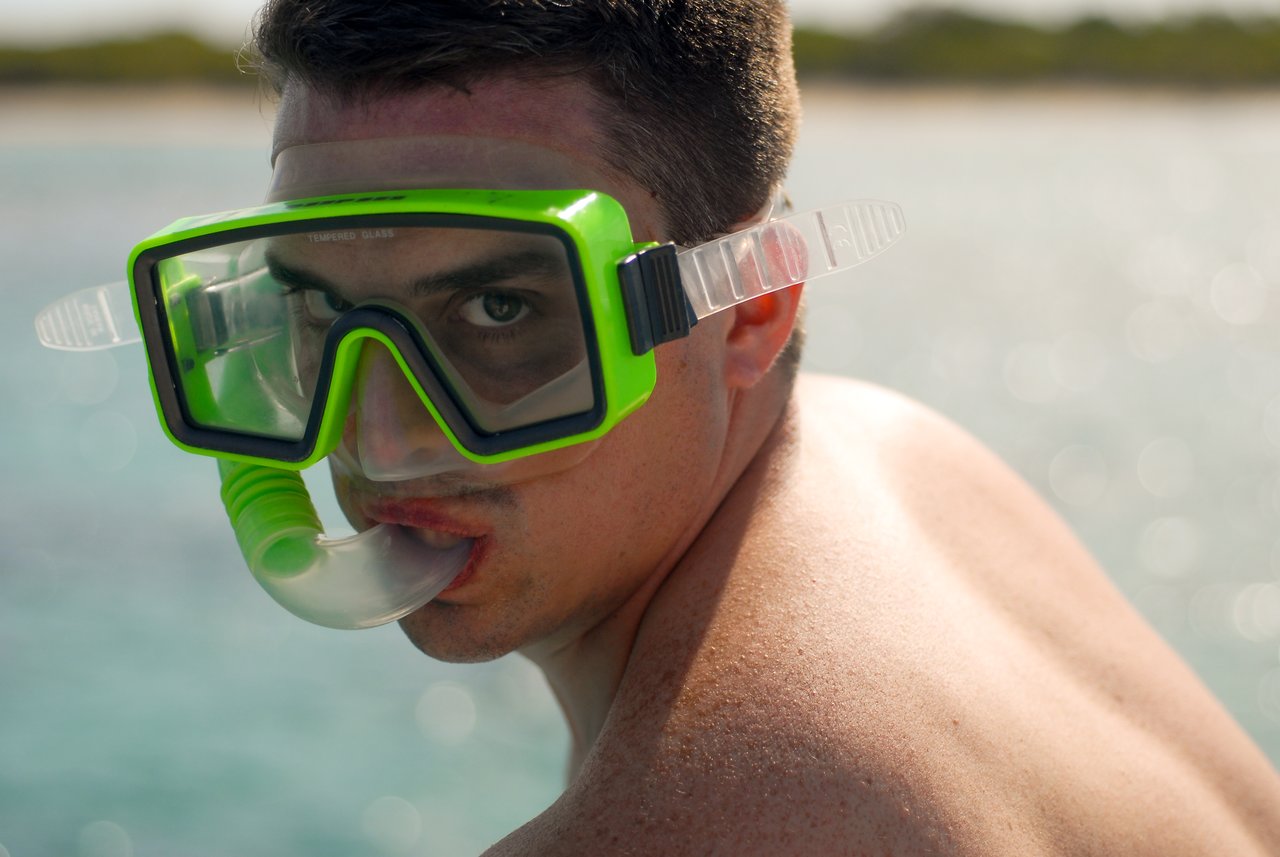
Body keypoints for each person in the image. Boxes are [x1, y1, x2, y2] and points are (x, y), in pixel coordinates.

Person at [179, 0, 1280, 852]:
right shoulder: (900, 456)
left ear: (752, 308)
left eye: (501, 309)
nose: (379, 440)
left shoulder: (688, 829)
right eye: (315, 309)